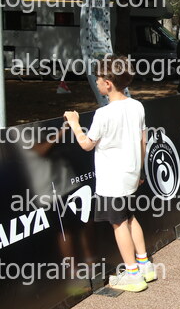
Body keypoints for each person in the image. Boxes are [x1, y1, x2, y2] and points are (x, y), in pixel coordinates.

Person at [63, 55, 156, 292]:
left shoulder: (103, 114)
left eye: (98, 78)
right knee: (130, 217)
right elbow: (143, 141)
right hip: (131, 175)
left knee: (119, 223)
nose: (96, 81)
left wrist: (74, 124)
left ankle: (133, 274)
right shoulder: (137, 106)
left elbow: (86, 144)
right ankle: (145, 265)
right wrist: (139, 170)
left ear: (108, 83)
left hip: (112, 180)